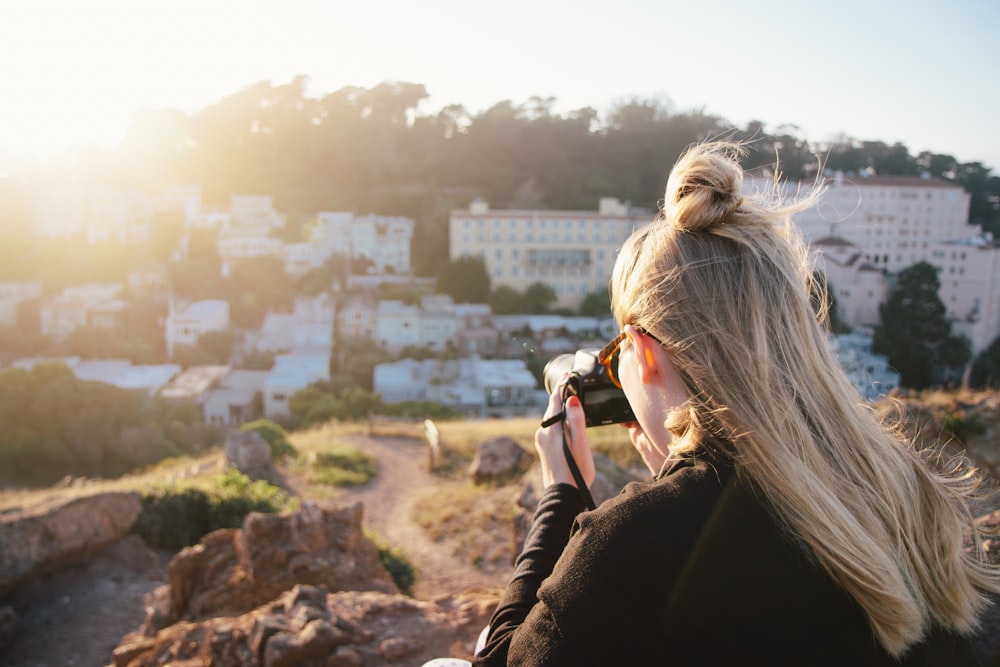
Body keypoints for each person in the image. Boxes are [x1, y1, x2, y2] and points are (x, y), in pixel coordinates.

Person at [472, 142, 1000, 666]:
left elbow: (502, 659)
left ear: (642, 351)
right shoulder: (902, 488)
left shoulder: (631, 541)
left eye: (616, 359)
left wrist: (562, 493)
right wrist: (675, 481)